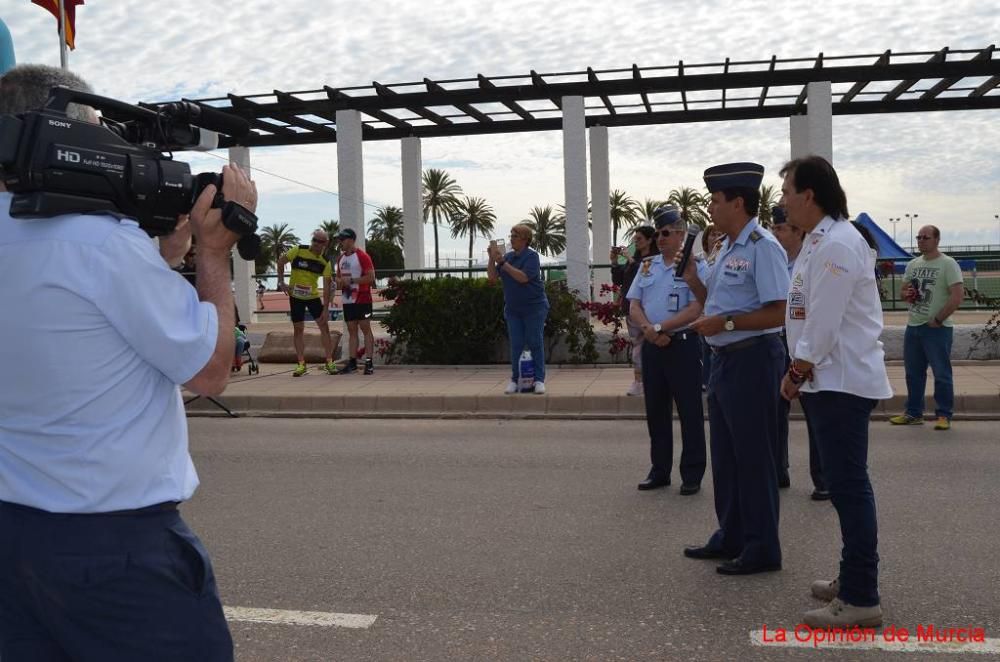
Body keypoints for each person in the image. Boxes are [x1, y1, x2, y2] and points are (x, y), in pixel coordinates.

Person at [0, 63, 252, 660]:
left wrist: (161, 260)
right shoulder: (105, 246)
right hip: (116, 550)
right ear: (66, 135)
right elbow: (211, 370)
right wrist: (213, 255)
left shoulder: (95, 249)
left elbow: (83, 331)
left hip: (14, 536)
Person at [778, 154, 892, 628]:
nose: (783, 203)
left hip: (839, 381)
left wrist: (795, 373)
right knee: (847, 489)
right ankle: (852, 578)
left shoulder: (838, 245)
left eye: (787, 193)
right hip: (829, 380)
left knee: (849, 488)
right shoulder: (820, 241)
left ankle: (863, 597)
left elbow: (822, 326)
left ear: (809, 195)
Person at [678, 162, 789, 576]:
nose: (710, 207)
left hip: (753, 359)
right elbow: (719, 305)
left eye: (716, 200)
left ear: (738, 203)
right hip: (724, 361)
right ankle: (732, 534)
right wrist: (694, 283)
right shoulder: (727, 246)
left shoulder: (763, 246)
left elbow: (777, 312)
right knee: (725, 457)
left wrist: (722, 324)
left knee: (754, 457)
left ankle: (762, 547)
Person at [626, 206, 708, 494]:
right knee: (656, 412)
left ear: (681, 233)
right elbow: (634, 304)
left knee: (689, 411)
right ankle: (659, 470)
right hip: (653, 346)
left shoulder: (694, 266)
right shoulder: (647, 266)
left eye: (665, 232)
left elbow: (699, 305)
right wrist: (649, 329)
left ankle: (692, 474)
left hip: (682, 345)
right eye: (657, 233)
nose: (660, 238)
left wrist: (662, 328)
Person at [889, 224, 964, 430]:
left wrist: (938, 319)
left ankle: (943, 415)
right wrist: (906, 295)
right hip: (913, 326)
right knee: (913, 373)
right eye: (918, 237)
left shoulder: (948, 264)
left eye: (926, 237)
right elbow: (902, 292)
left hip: (937, 329)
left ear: (937, 240)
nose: (921, 241)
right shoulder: (913, 264)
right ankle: (914, 412)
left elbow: (957, 296)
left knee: (941, 373)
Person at [771, 206, 823, 495]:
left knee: (814, 412)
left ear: (797, 231)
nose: (775, 234)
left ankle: (823, 479)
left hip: (804, 345)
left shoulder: (810, 261)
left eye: (781, 229)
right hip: (777, 342)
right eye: (774, 228)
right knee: (775, 412)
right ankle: (779, 471)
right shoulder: (773, 261)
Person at [488, 223, 550, 394]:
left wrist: (503, 263)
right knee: (516, 344)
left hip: (534, 307)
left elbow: (523, 278)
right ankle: (515, 380)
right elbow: (492, 278)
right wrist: (491, 259)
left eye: (514, 236)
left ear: (524, 239)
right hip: (513, 309)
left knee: (534, 341)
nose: (511, 239)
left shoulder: (532, 257)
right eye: (511, 235)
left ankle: (539, 380)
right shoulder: (507, 257)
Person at [276, 230, 337, 376]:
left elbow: (327, 286)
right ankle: (301, 364)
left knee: (324, 328)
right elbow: (280, 262)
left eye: (320, 241)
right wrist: (281, 281)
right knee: (298, 329)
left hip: (313, 297)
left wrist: (326, 308)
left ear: (325, 244)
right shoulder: (299, 250)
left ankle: (329, 362)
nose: (316, 244)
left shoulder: (325, 261)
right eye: (314, 240)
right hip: (296, 297)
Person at [616, 225, 656, 396]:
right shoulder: (635, 259)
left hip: (647, 308)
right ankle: (638, 381)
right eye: (635, 239)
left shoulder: (654, 259)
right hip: (631, 308)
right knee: (638, 344)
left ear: (649, 240)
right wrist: (614, 262)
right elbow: (619, 279)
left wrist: (631, 260)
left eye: (639, 239)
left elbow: (644, 275)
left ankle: (649, 380)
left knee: (649, 344)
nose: (636, 242)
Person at [334, 228, 377, 375]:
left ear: (351, 240)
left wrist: (352, 280)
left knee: (365, 328)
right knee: (351, 330)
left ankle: (369, 362)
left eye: (343, 239)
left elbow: (371, 278)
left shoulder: (362, 256)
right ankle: (352, 362)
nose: (340, 242)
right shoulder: (340, 259)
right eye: (339, 239)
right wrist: (339, 282)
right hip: (348, 299)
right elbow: (338, 278)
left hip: (362, 298)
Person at [699, 224, 725, 391]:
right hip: (701, 310)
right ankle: (705, 381)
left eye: (719, 234)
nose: (715, 237)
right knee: (704, 348)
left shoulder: (725, 257)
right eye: (712, 234)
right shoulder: (698, 258)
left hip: (718, 311)